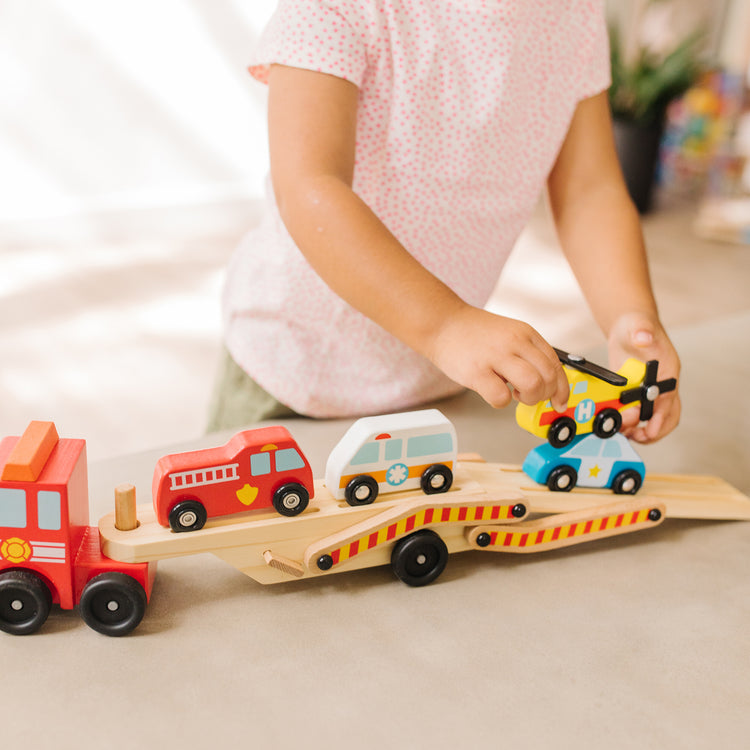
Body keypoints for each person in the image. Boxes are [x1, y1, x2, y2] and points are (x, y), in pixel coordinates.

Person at [209, 0, 681, 444]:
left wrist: (629, 316)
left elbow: (588, 192)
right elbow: (311, 188)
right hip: (293, 369)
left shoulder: (571, 12)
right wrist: (447, 326)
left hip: (438, 377)